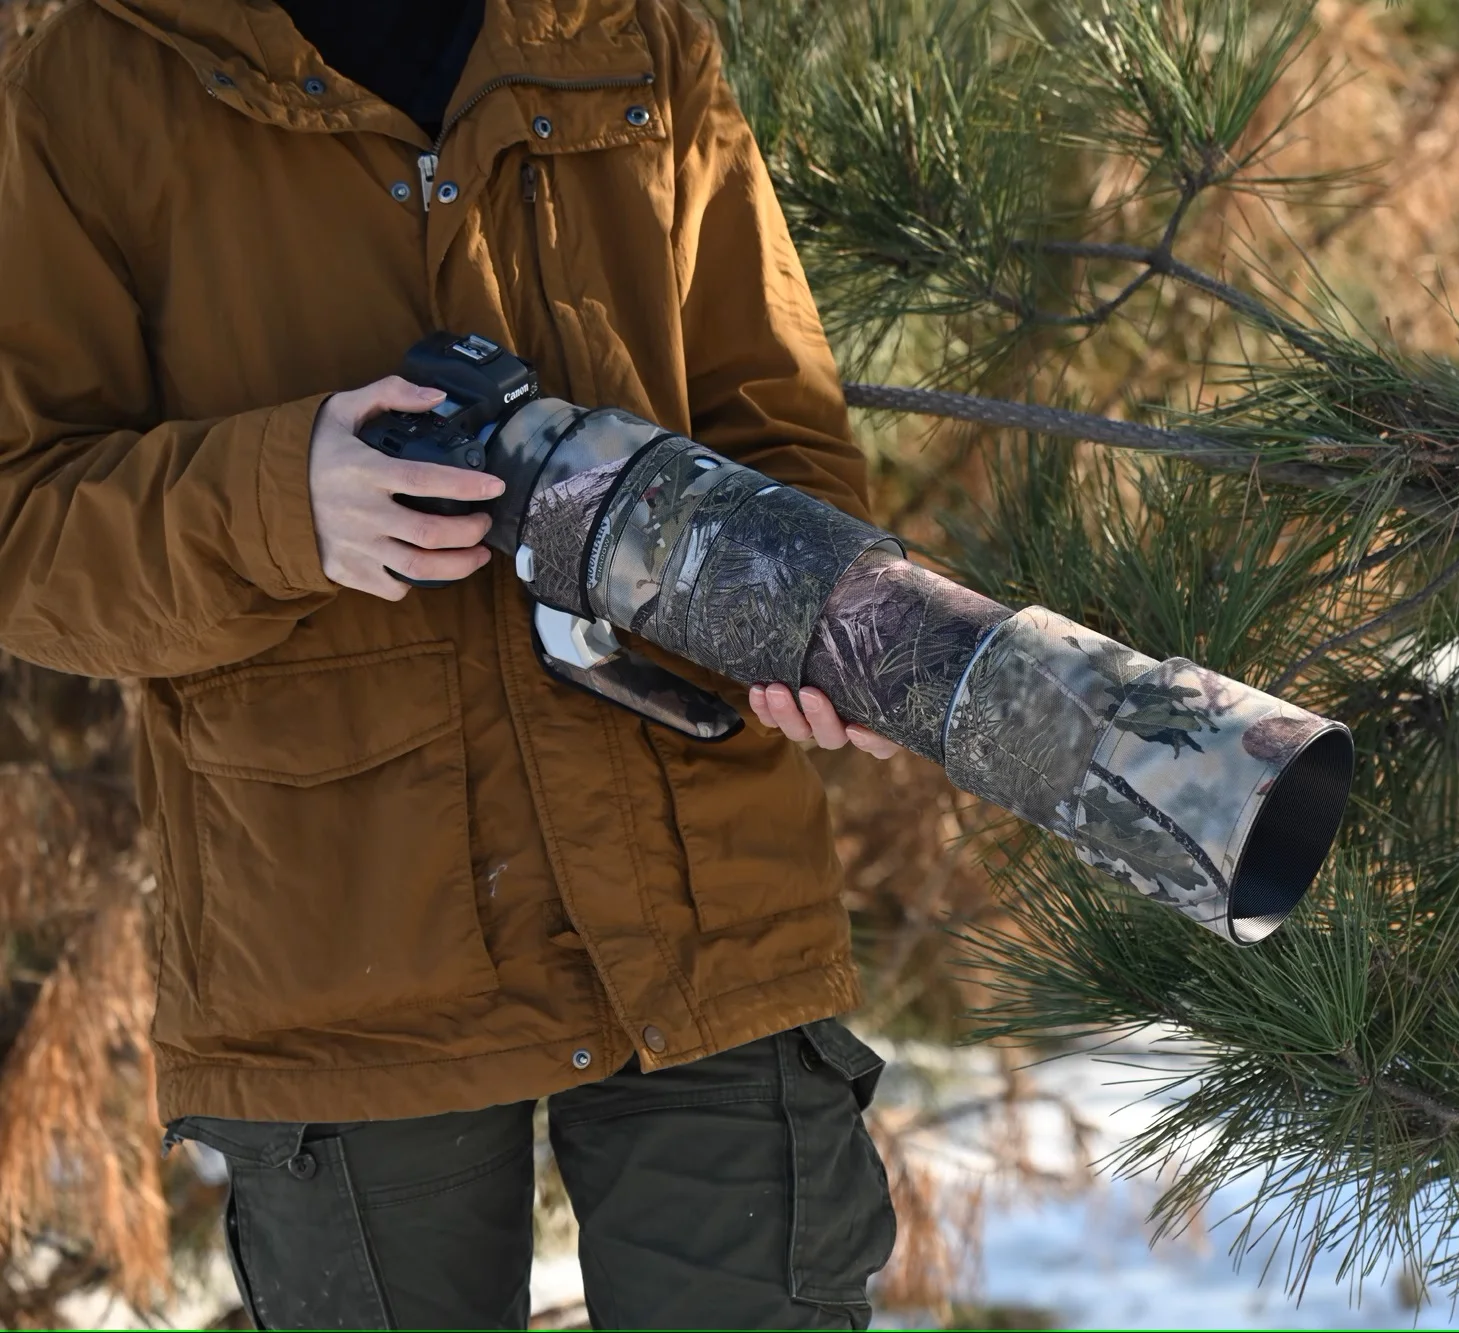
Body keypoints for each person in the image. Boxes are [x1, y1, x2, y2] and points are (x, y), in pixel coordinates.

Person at [0, 0, 902, 1325]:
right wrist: (278, 501)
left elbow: (781, 435)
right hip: (342, 949)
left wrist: (820, 623)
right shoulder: (97, 76)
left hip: (700, 904)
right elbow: (26, 529)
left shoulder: (631, 32)